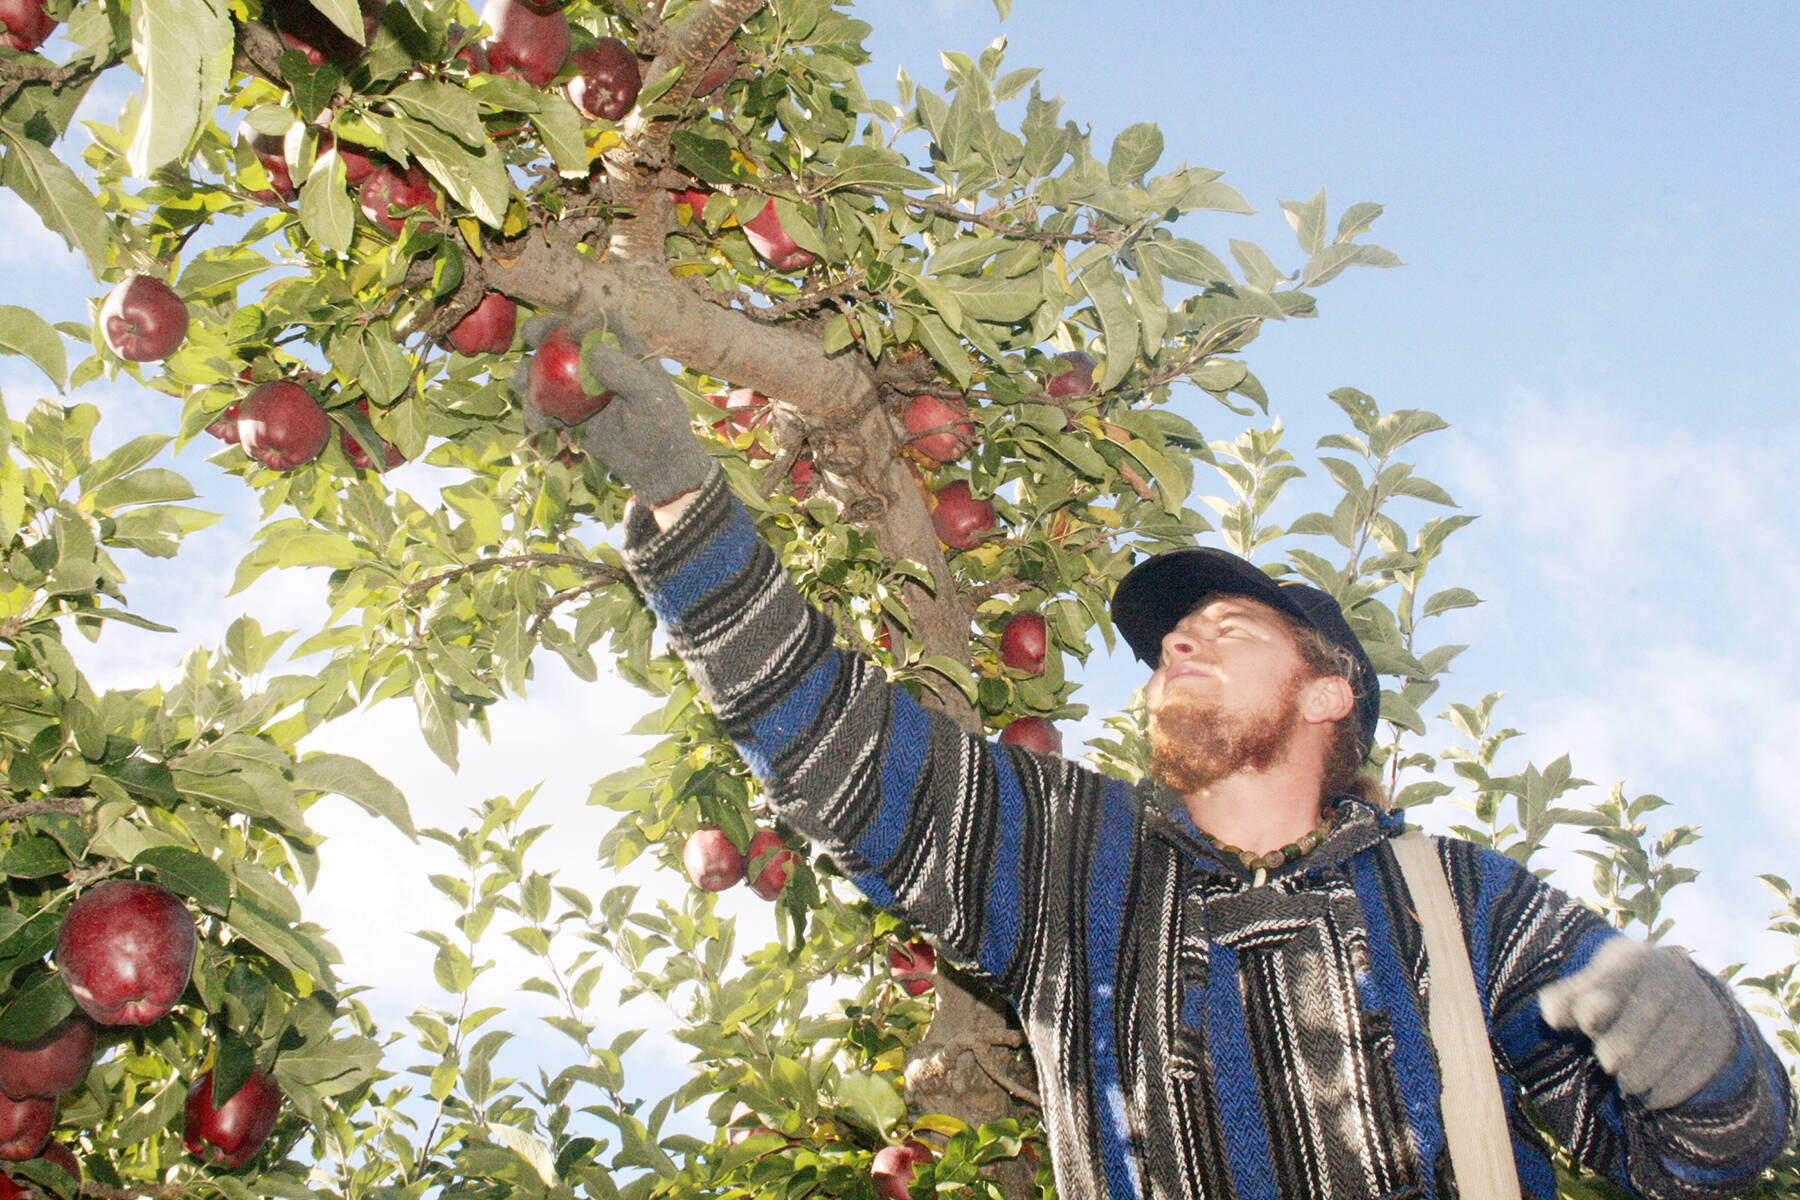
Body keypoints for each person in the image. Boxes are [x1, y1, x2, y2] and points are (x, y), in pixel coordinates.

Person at [544, 317, 1793, 1199]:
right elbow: (833, 740)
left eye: (1225, 629)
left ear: (1328, 690)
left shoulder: (1457, 902)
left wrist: (1694, 1050)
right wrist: (679, 500)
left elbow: (1704, 1155)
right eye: (1167, 643)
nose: (1179, 647)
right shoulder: (1073, 862)